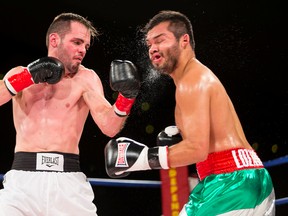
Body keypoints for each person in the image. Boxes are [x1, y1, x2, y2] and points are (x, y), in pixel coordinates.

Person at [104, 10, 275, 216]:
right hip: (255, 179)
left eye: (160, 40)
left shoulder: (191, 82)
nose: (153, 48)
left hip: (229, 184)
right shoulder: (199, 76)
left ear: (184, 40)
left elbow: (197, 149)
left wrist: (142, 158)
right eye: (149, 44)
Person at [0, 12, 140, 216]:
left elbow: (109, 127)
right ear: (54, 39)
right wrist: (27, 77)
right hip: (22, 185)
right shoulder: (21, 74)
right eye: (77, 42)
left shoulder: (87, 79)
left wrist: (126, 98)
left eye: (86, 45)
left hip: (68, 185)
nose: (83, 50)